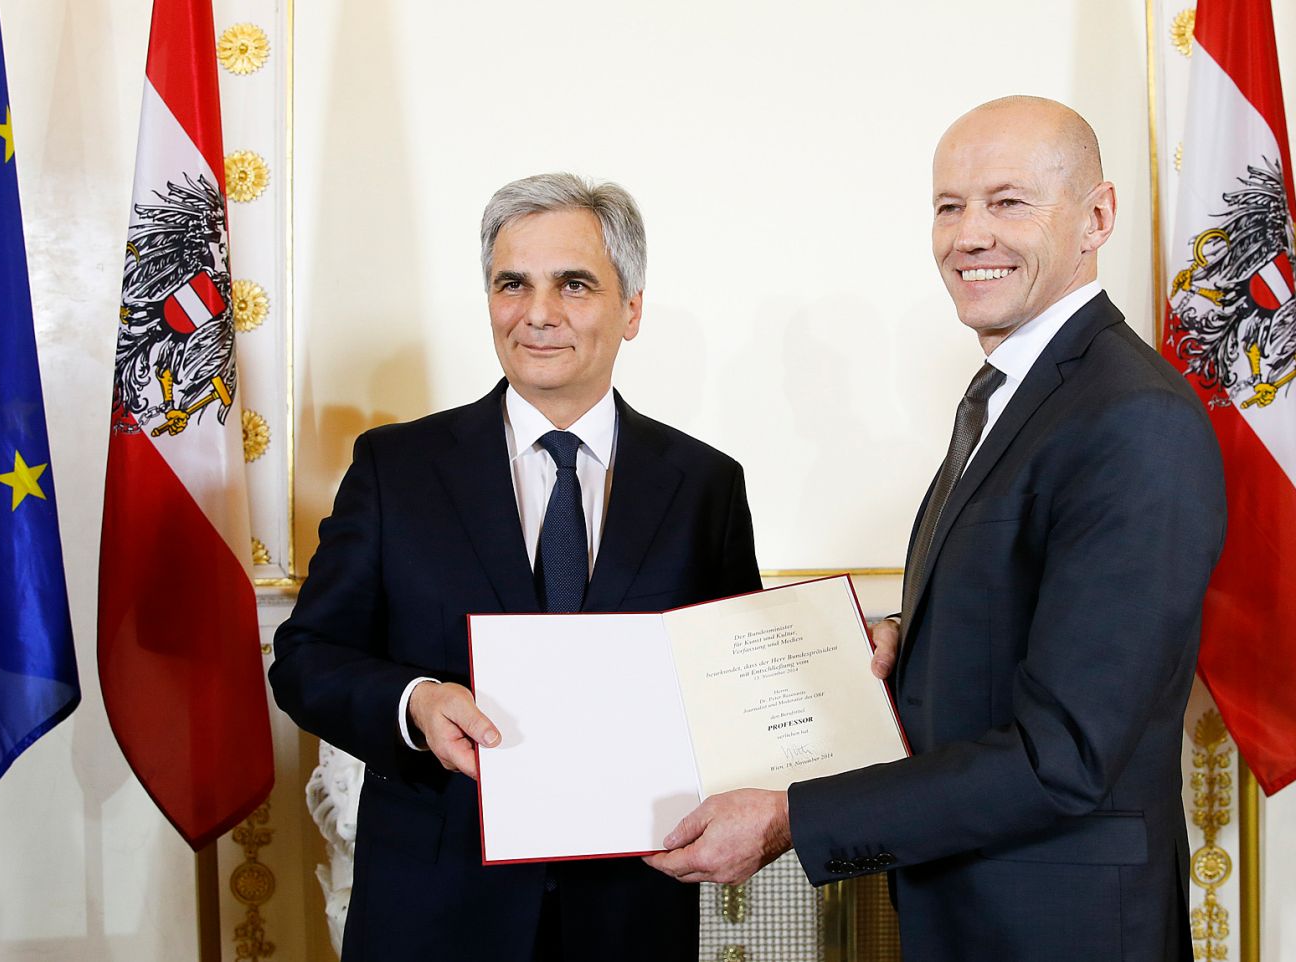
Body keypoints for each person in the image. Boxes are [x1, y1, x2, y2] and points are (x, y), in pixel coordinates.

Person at [645, 97, 1226, 961]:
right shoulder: (1017, 394)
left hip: (1059, 929)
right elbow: (1023, 625)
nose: (969, 235)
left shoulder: (1131, 416)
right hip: (976, 904)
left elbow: (1064, 753)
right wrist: (903, 643)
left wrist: (792, 819)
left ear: (1096, 217)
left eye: (1008, 202)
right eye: (949, 207)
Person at [270, 172, 762, 962]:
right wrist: (416, 702)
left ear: (630, 309)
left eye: (574, 284)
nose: (538, 313)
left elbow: (734, 684)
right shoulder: (397, 467)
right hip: (434, 910)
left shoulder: (705, 483)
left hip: (630, 910)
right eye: (512, 284)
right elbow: (304, 659)